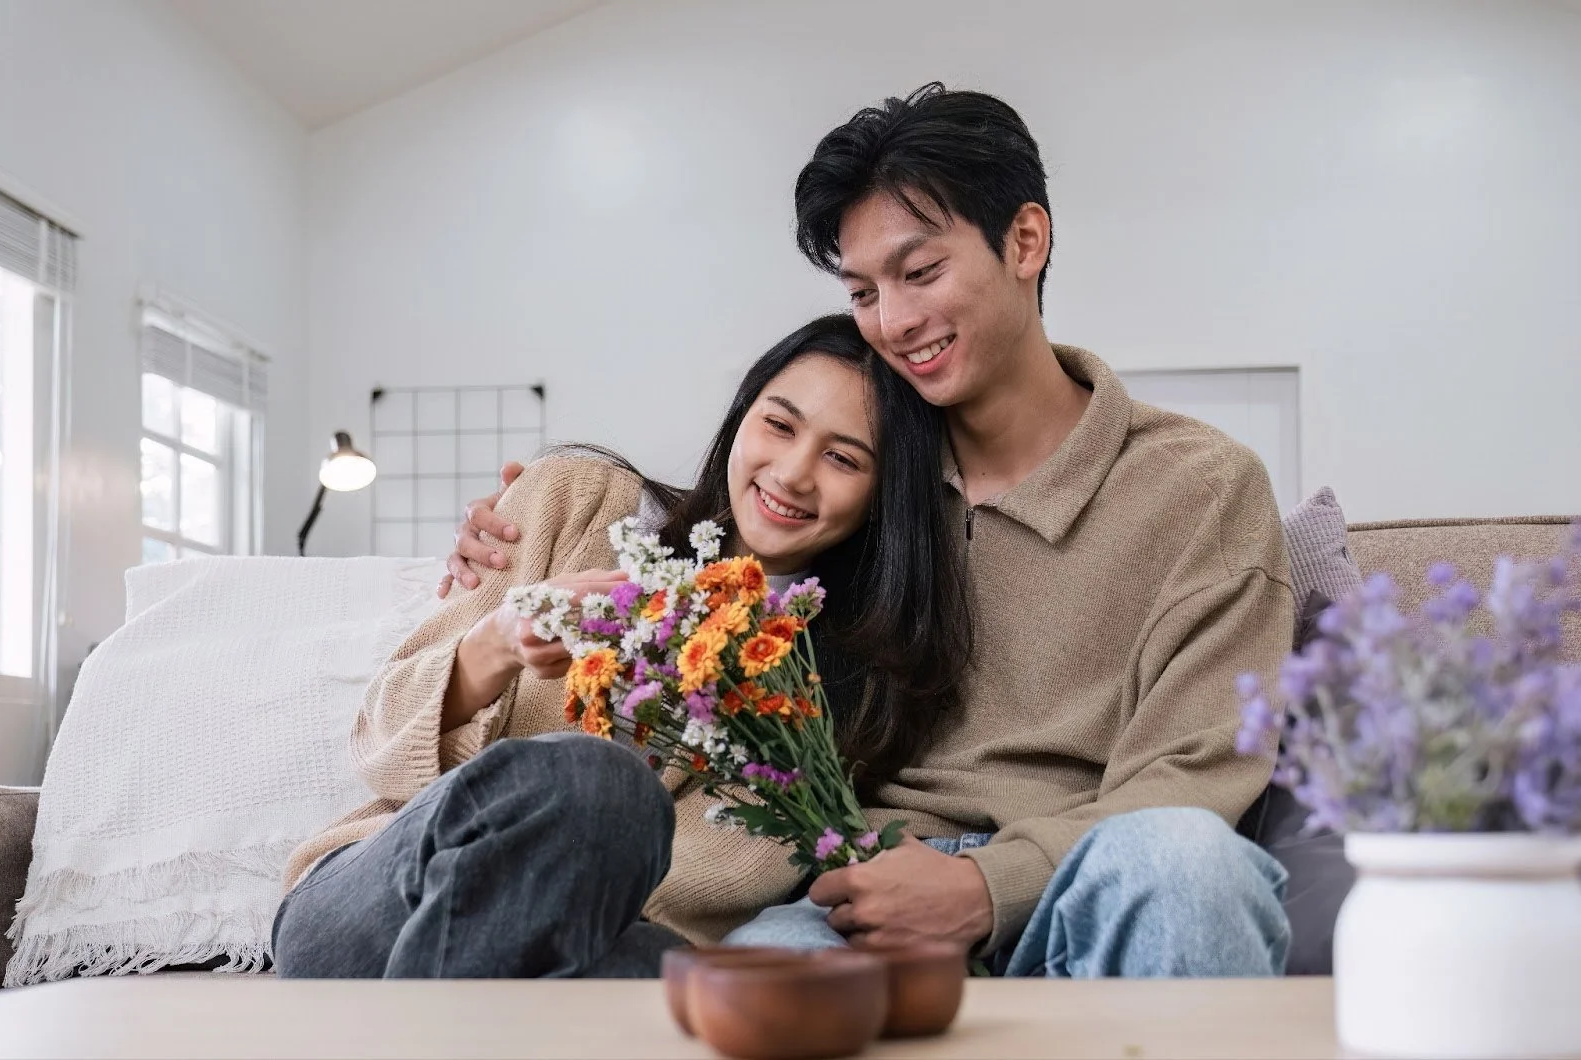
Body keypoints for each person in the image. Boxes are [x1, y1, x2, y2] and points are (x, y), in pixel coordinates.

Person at [444, 84, 1297, 977]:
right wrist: (514, 537)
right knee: (759, 975)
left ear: (1026, 242)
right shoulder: (855, 484)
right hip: (858, 896)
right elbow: (718, 533)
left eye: (920, 273)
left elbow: (1197, 772)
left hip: (1092, 877)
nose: (893, 323)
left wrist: (984, 887)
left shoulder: (1199, 487)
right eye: (862, 290)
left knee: (1189, 863)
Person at [272, 313, 973, 978]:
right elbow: (378, 742)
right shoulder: (575, 500)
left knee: (704, 980)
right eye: (779, 424)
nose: (792, 472)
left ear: (884, 495)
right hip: (372, 902)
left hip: (592, 943)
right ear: (741, 417)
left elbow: (721, 888)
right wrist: (500, 641)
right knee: (598, 782)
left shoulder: (845, 685)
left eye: (843, 459)